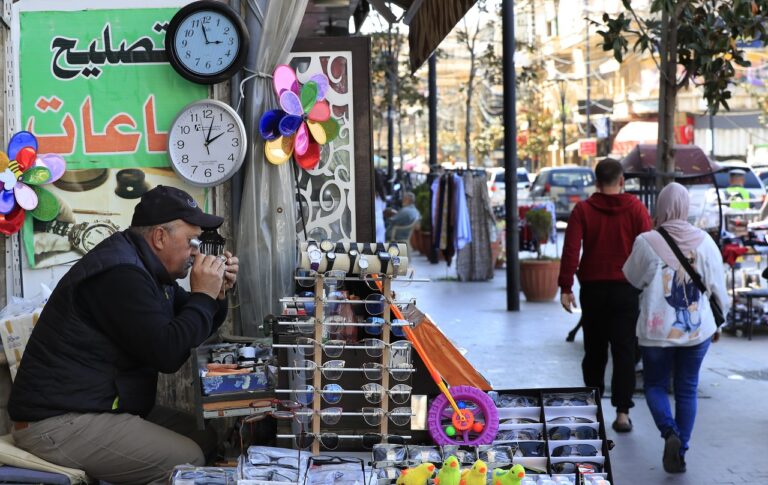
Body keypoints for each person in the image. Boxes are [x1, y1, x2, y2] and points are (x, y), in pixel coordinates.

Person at [8, 186, 239, 484]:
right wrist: (204, 296)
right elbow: (168, 352)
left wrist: (216, 292)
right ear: (159, 237)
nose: (196, 252)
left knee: (205, 436)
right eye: (192, 241)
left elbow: (190, 319)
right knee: (186, 461)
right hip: (57, 422)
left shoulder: (148, 268)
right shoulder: (120, 274)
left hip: (96, 408)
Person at [622, 182, 728, 474]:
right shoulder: (705, 242)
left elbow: (632, 278)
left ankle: (669, 432)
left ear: (661, 207)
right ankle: (680, 451)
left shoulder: (646, 241)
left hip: (656, 332)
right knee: (687, 389)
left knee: (654, 385)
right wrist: (721, 321)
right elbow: (719, 288)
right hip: (697, 331)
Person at [558, 158, 652, 433]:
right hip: (627, 289)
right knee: (624, 351)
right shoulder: (636, 208)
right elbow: (648, 247)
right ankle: (622, 414)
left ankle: (592, 409)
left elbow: (571, 249)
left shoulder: (583, 210)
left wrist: (566, 287)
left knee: (594, 351)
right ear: (622, 181)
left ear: (596, 182)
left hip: (593, 289)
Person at [374, 169, 387, 242]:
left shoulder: (367, 191)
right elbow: (383, 208)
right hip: (380, 221)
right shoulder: (381, 192)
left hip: (370, 222)